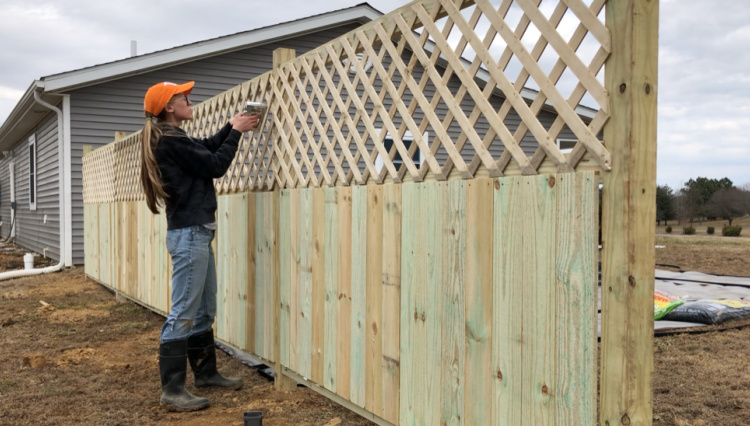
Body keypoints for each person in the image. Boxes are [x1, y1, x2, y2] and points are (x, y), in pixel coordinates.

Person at [140, 81, 260, 411]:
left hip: (197, 233)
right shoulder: (168, 141)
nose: (189, 100)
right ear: (168, 108)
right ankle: (173, 390)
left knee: (204, 309)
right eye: (183, 98)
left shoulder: (174, 138)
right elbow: (214, 165)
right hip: (190, 234)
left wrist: (230, 127)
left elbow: (206, 148)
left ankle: (206, 374)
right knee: (183, 313)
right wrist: (235, 132)